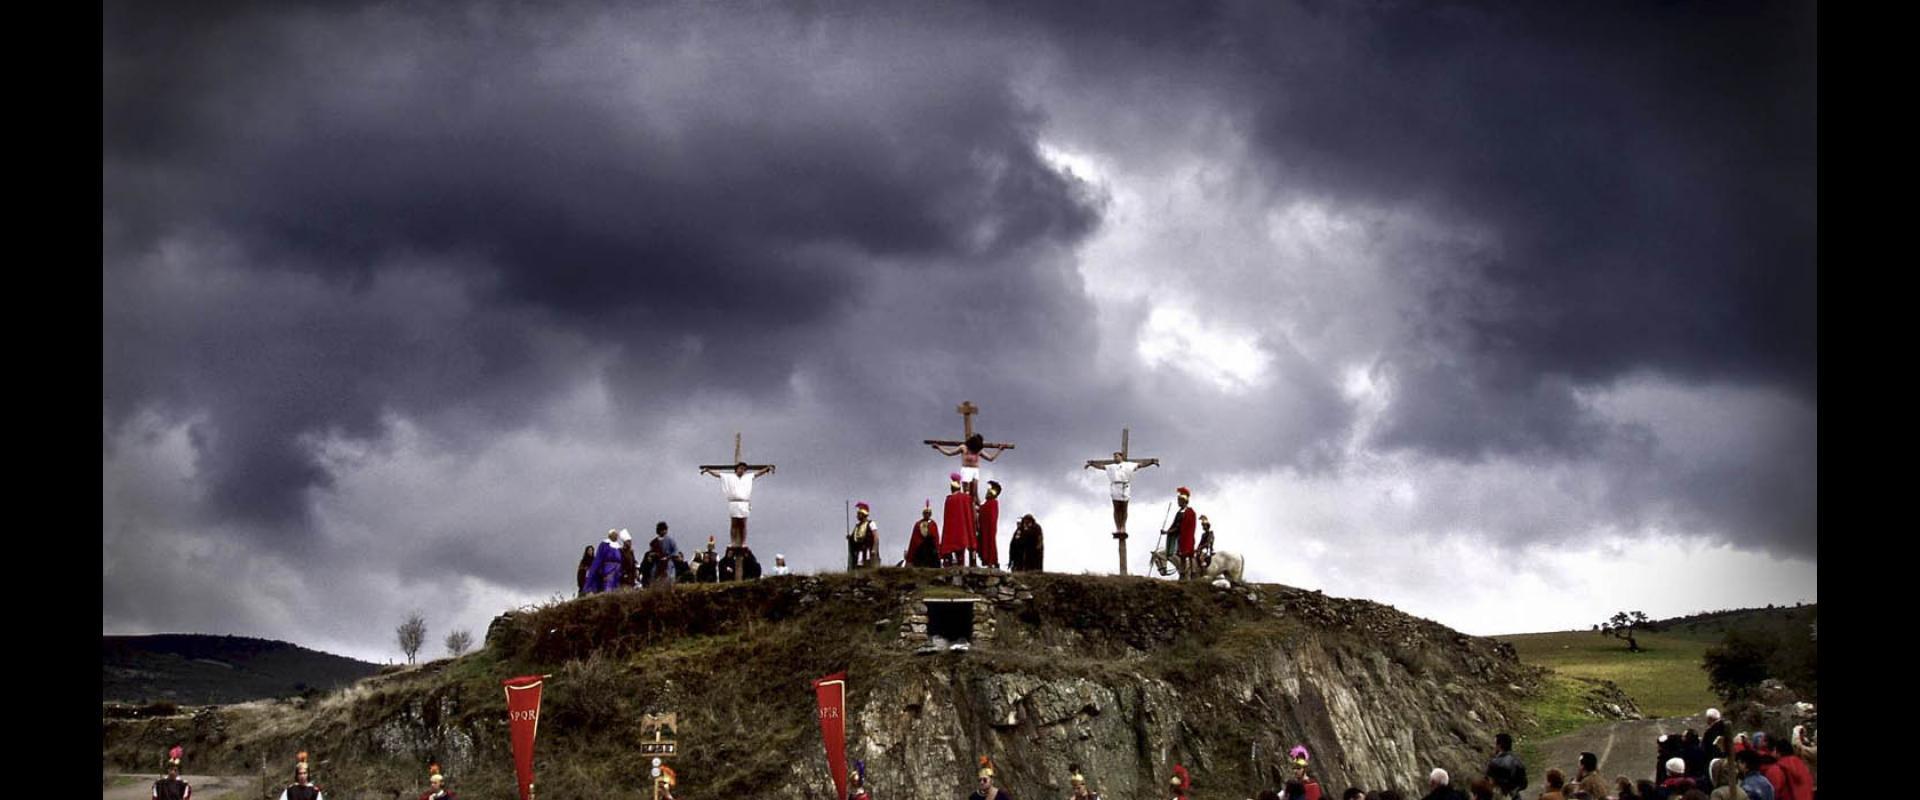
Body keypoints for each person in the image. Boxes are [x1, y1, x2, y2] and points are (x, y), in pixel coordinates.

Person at [701, 461, 774, 551]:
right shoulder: (729, 477)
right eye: (740, 468)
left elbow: (758, 473)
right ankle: (733, 541)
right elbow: (718, 475)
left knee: (743, 524)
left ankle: (743, 542)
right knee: (734, 523)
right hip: (734, 502)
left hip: (744, 503)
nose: (742, 470)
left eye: (744, 469)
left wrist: (767, 468)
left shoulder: (748, 477)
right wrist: (709, 470)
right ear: (736, 469)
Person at [1087, 450, 1157, 538]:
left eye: (1116, 456)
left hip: (1125, 486)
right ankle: (1118, 527)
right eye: (1114, 456)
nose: (1115, 458)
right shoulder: (1111, 466)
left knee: (1124, 508)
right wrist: (1092, 464)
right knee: (1116, 508)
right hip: (1115, 486)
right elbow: (1101, 467)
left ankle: (1123, 526)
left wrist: (1151, 462)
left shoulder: (1129, 465)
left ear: (1121, 456)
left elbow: (1141, 465)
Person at [933, 433, 1008, 506]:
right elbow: (949, 453)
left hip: (975, 470)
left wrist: (1000, 450)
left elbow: (990, 458)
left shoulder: (978, 450)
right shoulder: (963, 448)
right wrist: (939, 448)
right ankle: (966, 506)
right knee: (966, 492)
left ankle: (978, 506)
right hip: (966, 470)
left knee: (975, 492)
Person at [941, 473, 977, 567]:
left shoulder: (950, 499)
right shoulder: (966, 498)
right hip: (963, 531)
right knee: (961, 553)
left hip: (953, 531)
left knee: (955, 551)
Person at [1485, 733, 1527, 798]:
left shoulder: (1494, 763)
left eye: (1495, 744)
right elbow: (1524, 784)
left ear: (1499, 746)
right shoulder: (1519, 762)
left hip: (1499, 796)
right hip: (1514, 796)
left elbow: (1489, 783)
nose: (1493, 746)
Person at [905, 501, 941, 568]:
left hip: (931, 550)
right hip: (920, 551)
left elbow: (936, 538)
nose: (927, 515)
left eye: (928, 513)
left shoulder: (933, 524)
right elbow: (914, 541)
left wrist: (937, 550)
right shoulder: (918, 524)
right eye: (925, 513)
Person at [977, 481, 1003, 569]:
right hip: (984, 527)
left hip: (989, 528)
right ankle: (988, 561)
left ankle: (992, 561)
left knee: (990, 543)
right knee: (985, 542)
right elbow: (982, 509)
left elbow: (990, 516)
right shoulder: (988, 503)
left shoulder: (993, 503)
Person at [848, 502, 880, 570]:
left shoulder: (871, 523)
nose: (857, 516)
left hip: (868, 549)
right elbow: (854, 538)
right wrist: (850, 538)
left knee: (868, 565)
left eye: (859, 514)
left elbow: (876, 536)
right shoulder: (857, 526)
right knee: (859, 566)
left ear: (863, 514)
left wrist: (874, 549)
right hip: (860, 550)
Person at [649, 522, 679, 589]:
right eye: (663, 530)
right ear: (659, 530)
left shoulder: (670, 540)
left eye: (665, 530)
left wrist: (668, 557)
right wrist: (653, 555)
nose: (664, 531)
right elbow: (650, 553)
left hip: (668, 563)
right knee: (654, 576)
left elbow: (675, 551)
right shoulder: (653, 542)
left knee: (669, 578)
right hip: (657, 563)